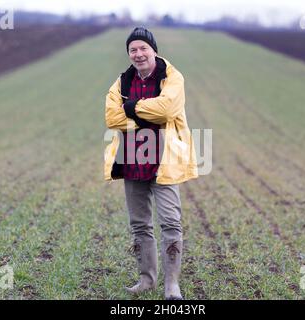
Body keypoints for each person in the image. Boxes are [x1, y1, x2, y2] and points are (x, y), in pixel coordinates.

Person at [104, 26, 198, 300]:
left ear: (154, 50)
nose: (138, 53)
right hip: (132, 160)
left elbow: (168, 109)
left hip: (165, 161)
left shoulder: (172, 77)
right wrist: (149, 113)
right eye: (133, 49)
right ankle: (146, 280)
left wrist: (132, 107)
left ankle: (172, 285)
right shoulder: (122, 81)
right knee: (140, 225)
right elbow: (111, 118)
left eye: (143, 47)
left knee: (171, 222)